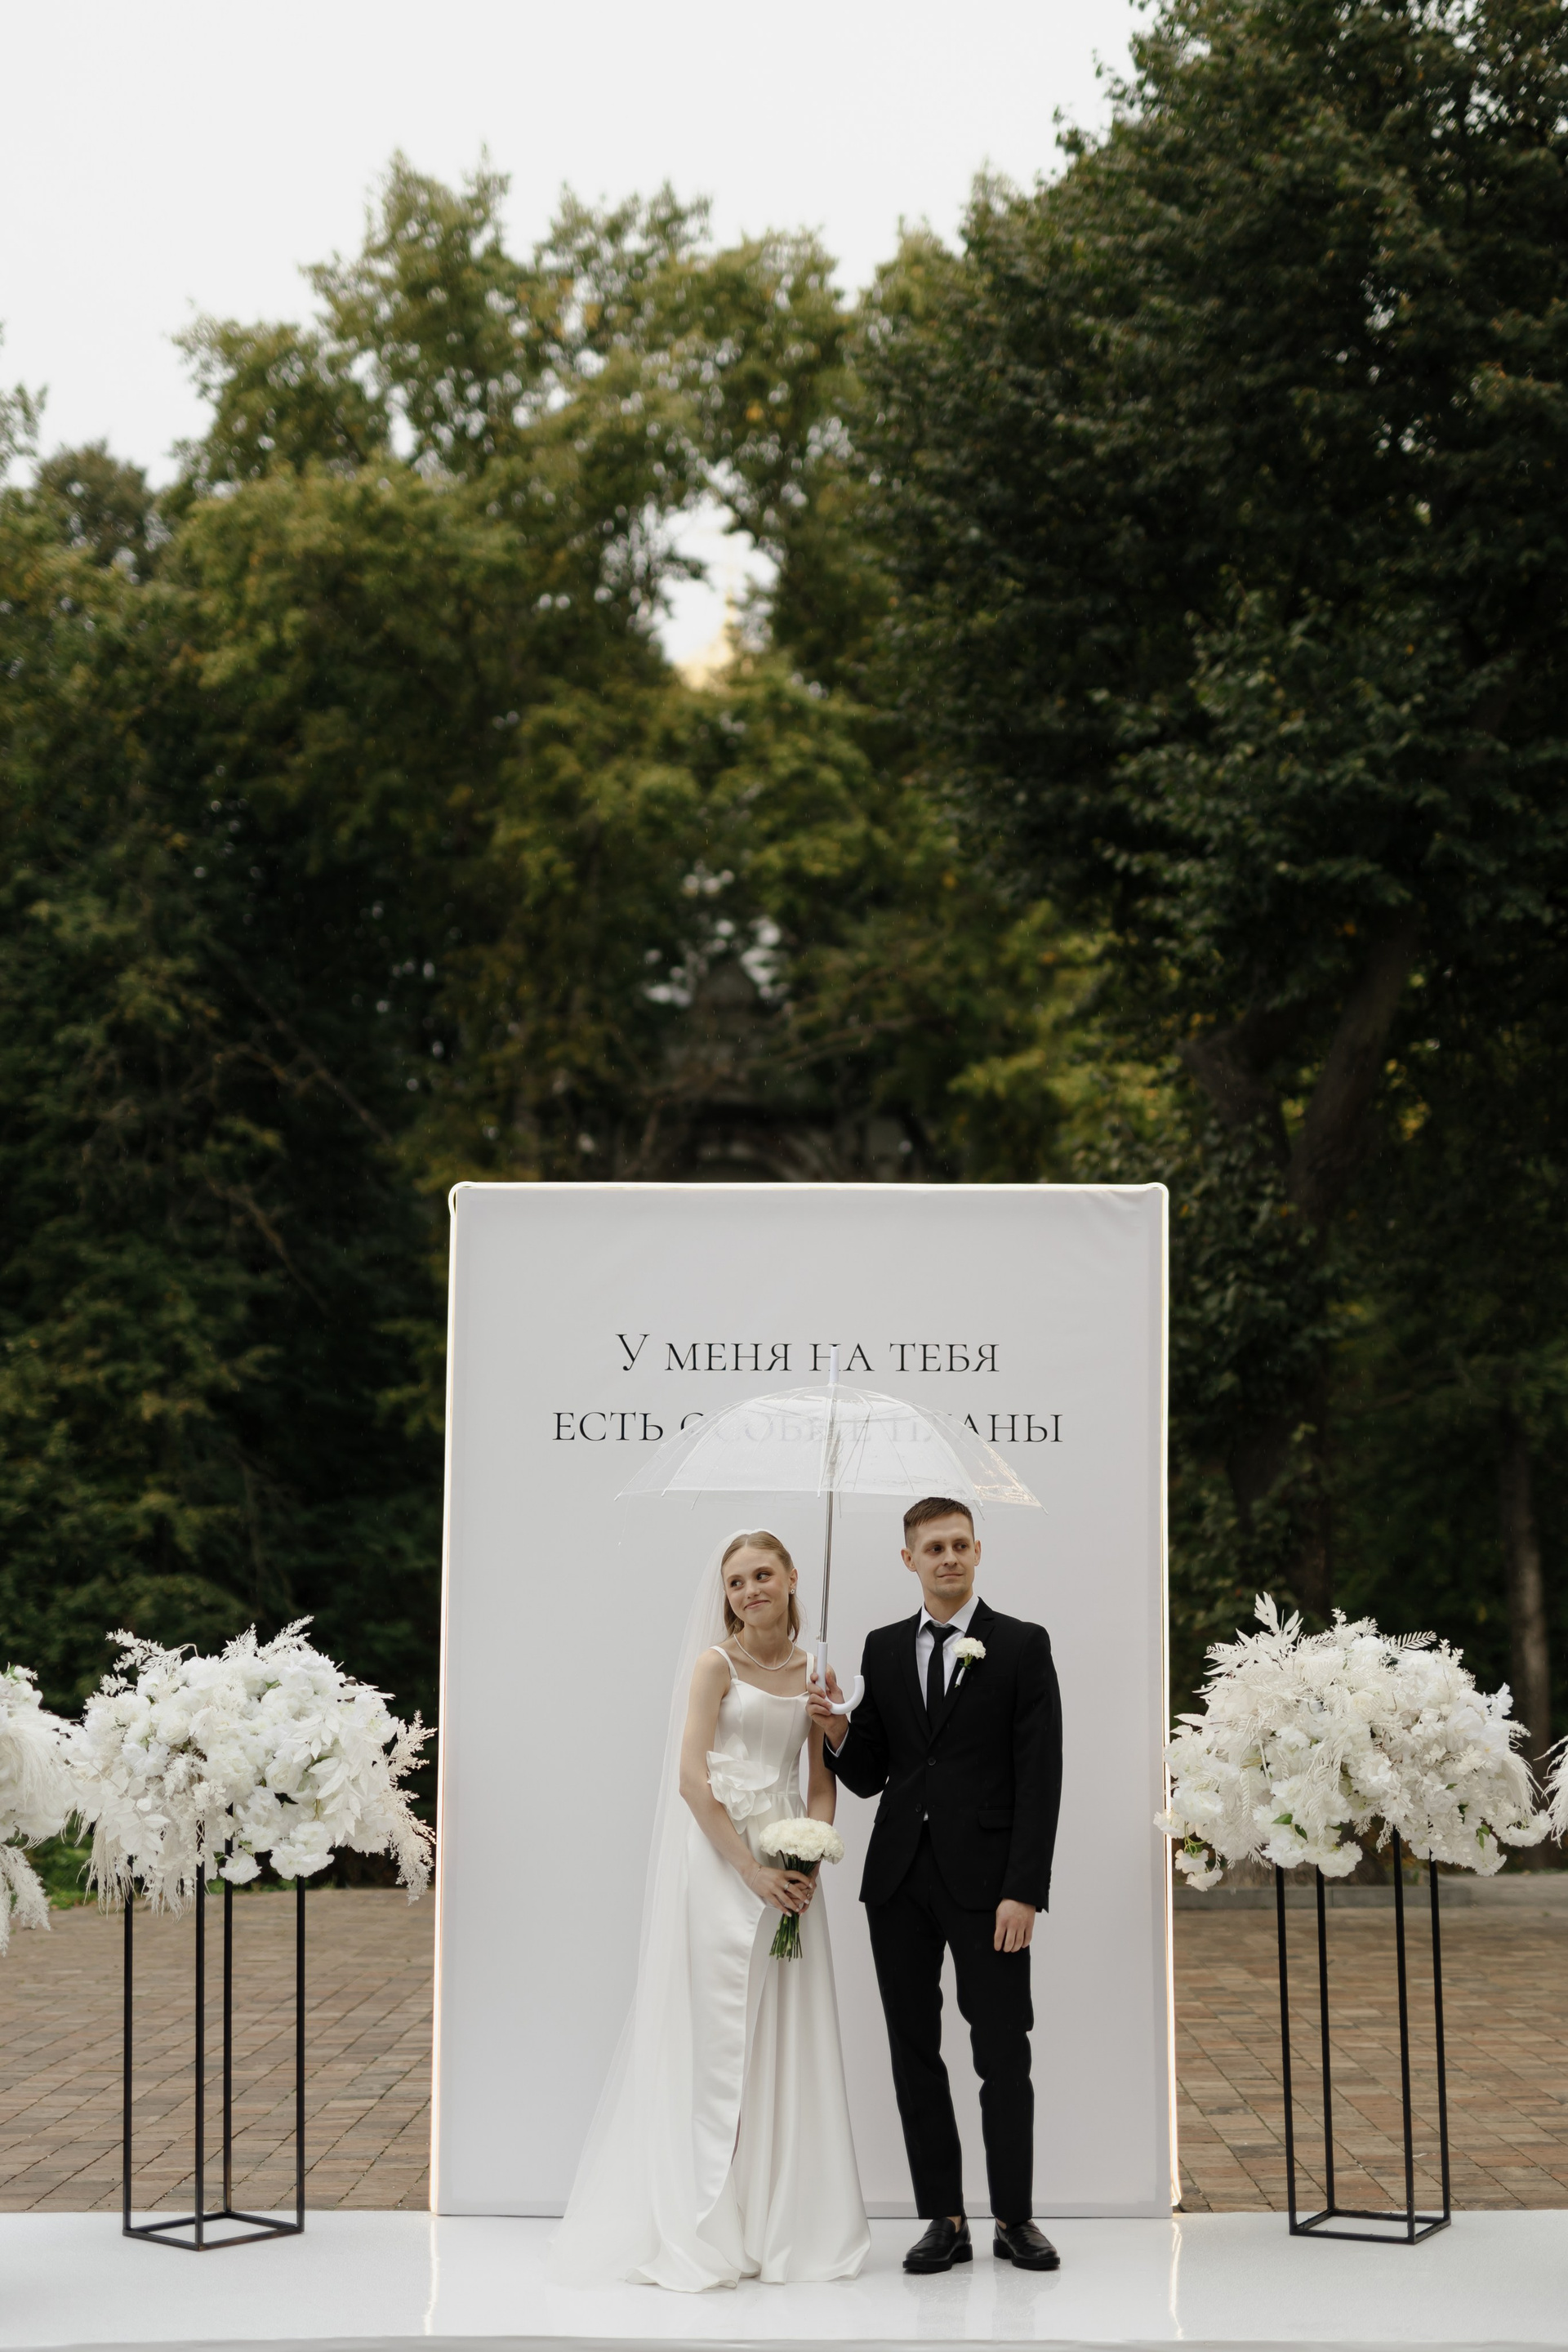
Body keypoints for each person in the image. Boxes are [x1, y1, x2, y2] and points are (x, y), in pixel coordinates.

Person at [551, 1529, 869, 2292]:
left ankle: (781, 2222)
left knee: (786, 2031)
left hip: (789, 1863)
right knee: (715, 2031)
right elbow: (692, 1782)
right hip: (724, 1861)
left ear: (792, 1578)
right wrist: (751, 1871)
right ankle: (702, 2219)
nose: (750, 1590)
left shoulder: (815, 1673)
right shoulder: (714, 1666)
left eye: (762, 1575)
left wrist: (811, 1853)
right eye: (736, 1581)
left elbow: (819, 1780)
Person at [808, 1496, 1062, 2275]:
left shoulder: (1021, 1644)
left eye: (959, 1545)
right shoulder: (883, 1647)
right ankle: (943, 2219)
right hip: (897, 1882)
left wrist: (1025, 1889)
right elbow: (870, 1774)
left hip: (991, 1888)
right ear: (909, 1560)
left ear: (978, 1551)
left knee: (1002, 2050)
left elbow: (1041, 1774)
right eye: (933, 1548)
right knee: (913, 2050)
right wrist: (836, 1727)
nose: (947, 1558)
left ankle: (1014, 2218)